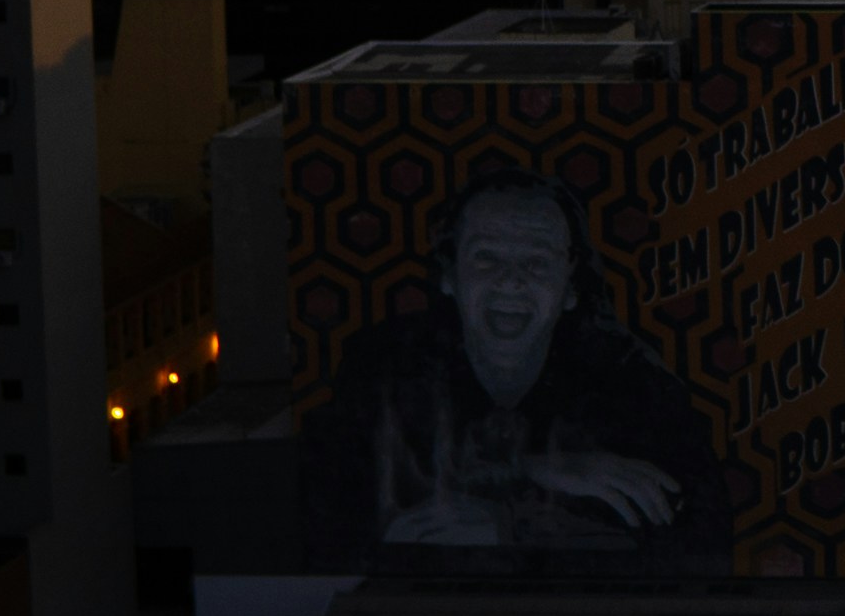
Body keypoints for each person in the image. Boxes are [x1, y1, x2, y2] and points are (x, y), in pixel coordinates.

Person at [314, 173, 737, 561]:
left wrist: (516, 525)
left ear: (570, 288)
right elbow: (333, 515)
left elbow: (704, 539)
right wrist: (532, 467)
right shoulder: (382, 365)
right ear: (449, 275)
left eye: (536, 263)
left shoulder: (633, 382)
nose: (510, 281)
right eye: (486, 259)